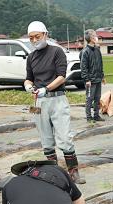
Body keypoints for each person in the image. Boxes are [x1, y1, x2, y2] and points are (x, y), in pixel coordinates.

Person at [23, 21, 85, 184]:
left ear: (45, 35)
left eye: (37, 36)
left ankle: (73, 172)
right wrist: (28, 86)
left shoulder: (56, 52)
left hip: (57, 99)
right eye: (31, 38)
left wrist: (47, 88)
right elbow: (29, 78)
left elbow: (61, 76)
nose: (35, 40)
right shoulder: (31, 57)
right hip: (37, 103)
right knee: (46, 140)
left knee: (65, 137)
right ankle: (55, 173)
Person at [80, 29, 105, 123]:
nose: (96, 37)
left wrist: (102, 76)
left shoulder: (97, 50)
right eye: (95, 35)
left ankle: (96, 115)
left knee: (97, 98)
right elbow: (83, 67)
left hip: (98, 79)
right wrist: (87, 79)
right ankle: (89, 117)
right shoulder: (85, 51)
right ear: (90, 38)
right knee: (89, 99)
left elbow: (100, 64)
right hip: (90, 80)